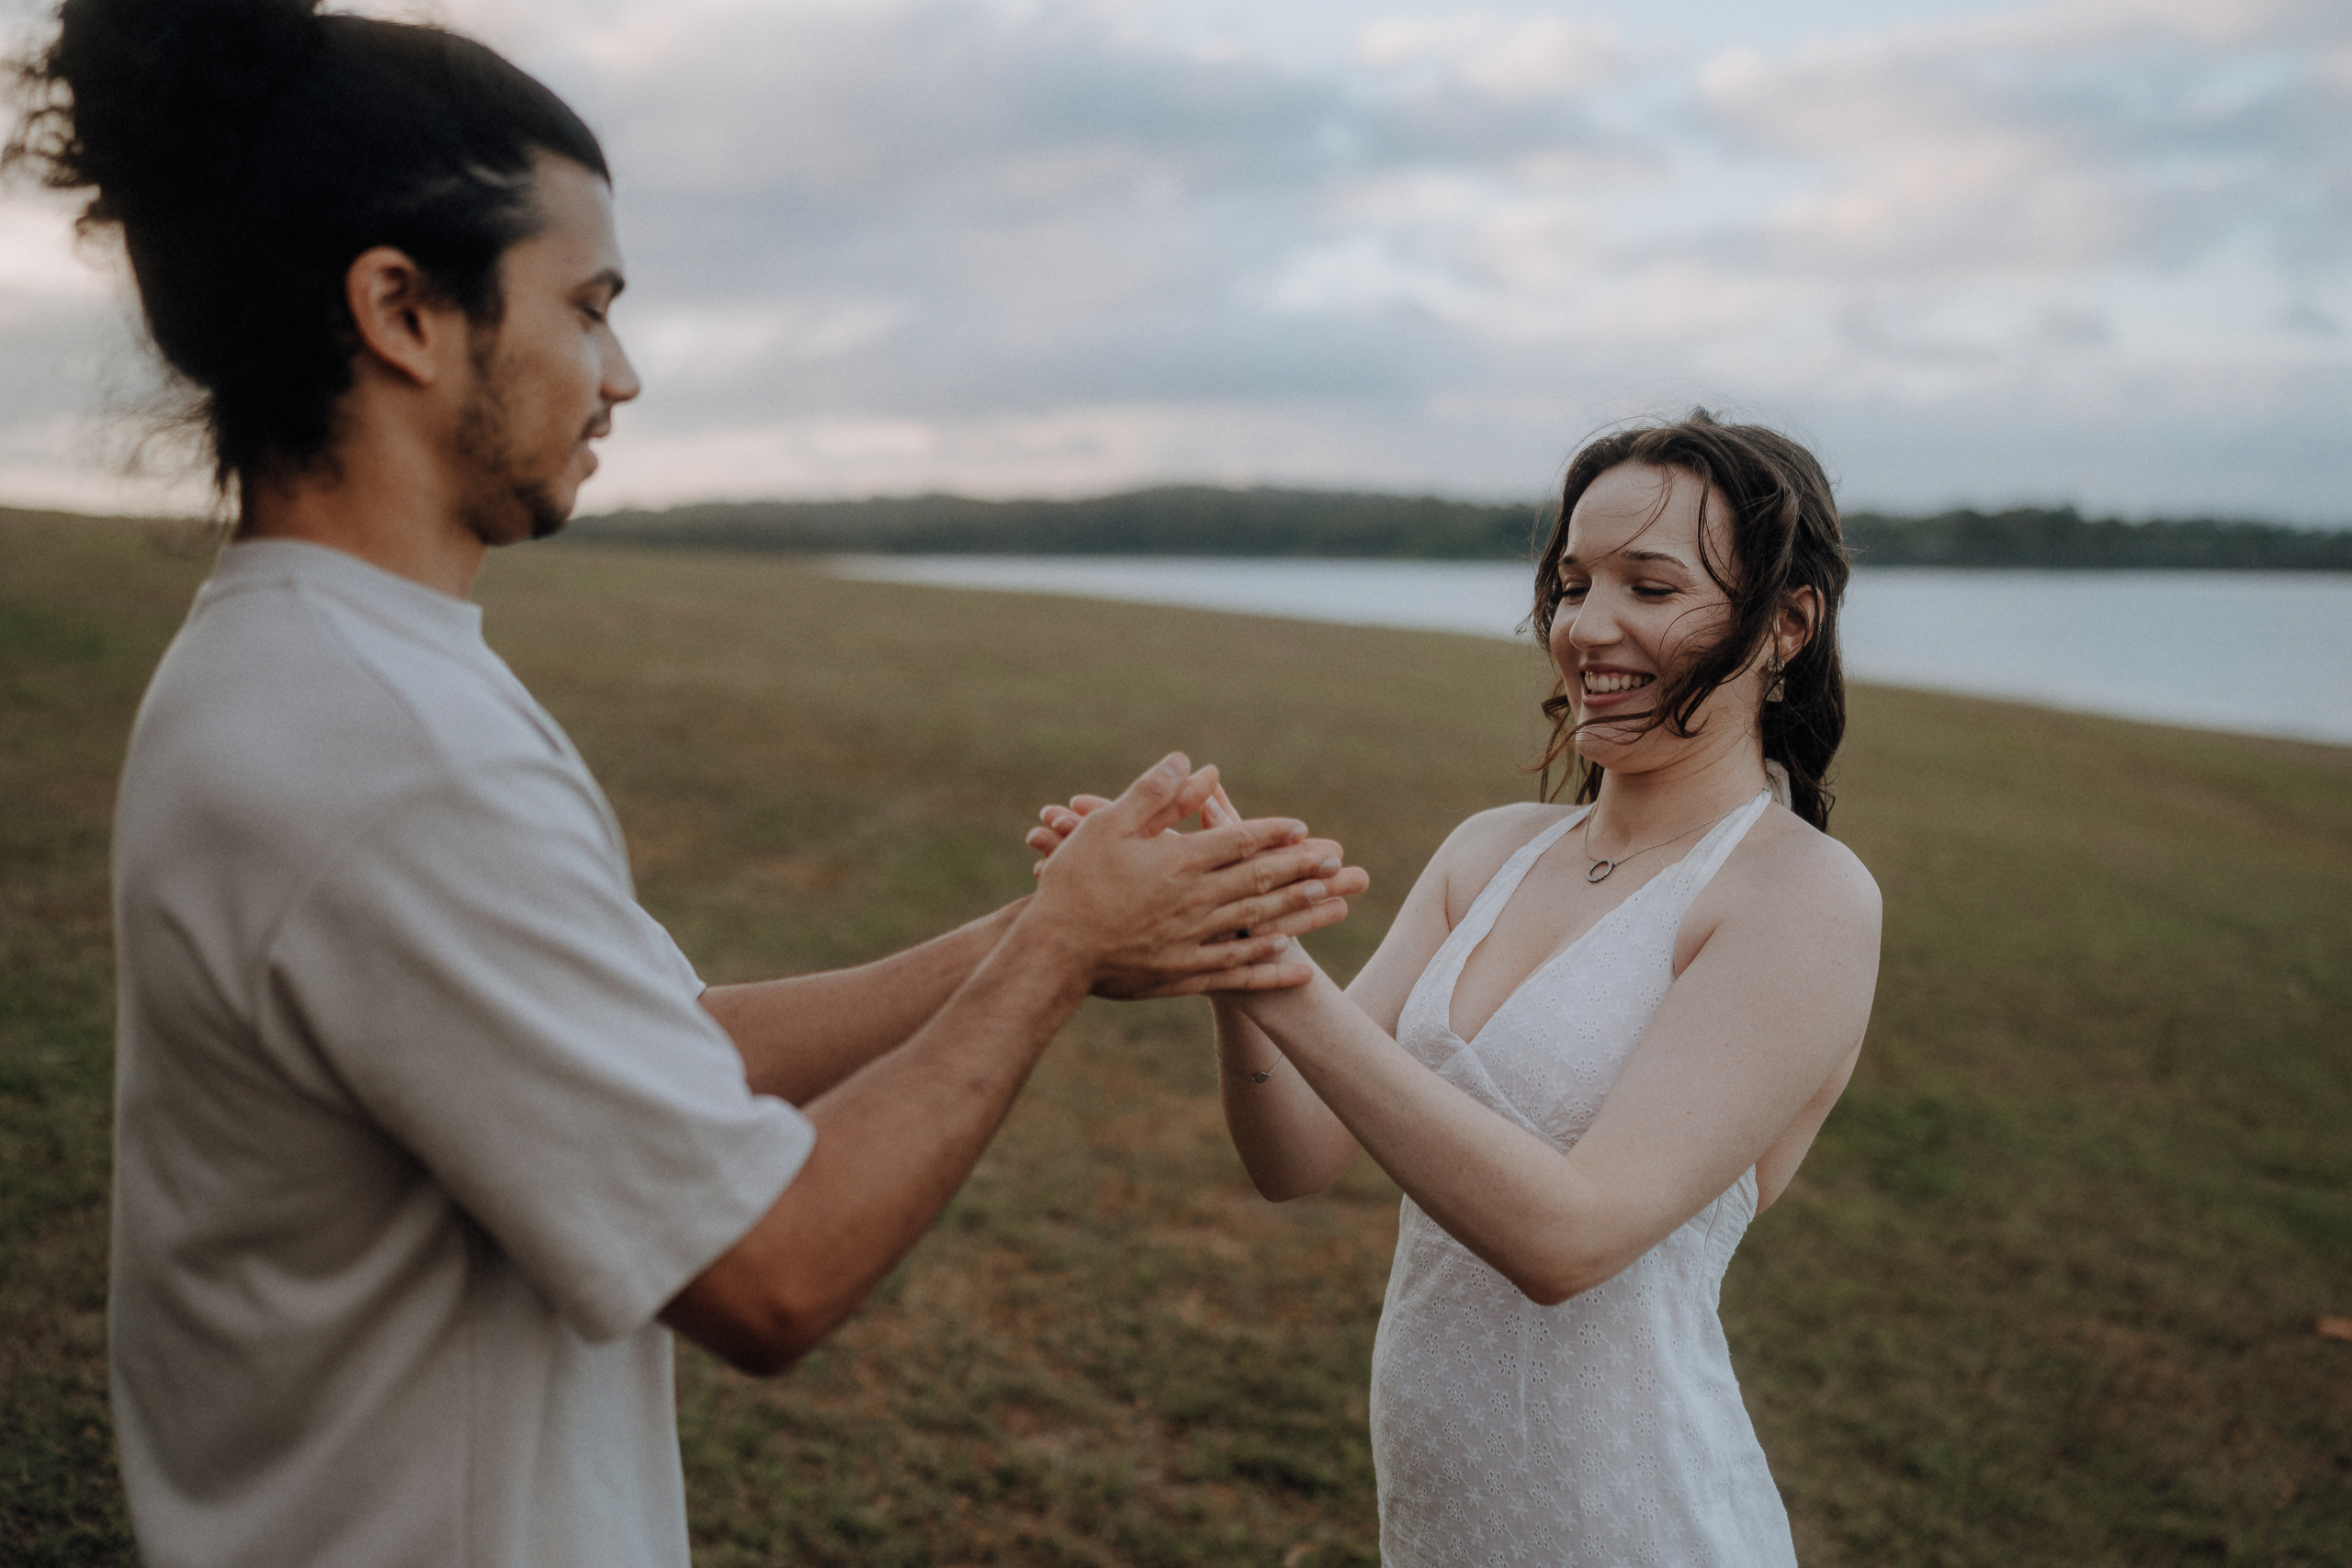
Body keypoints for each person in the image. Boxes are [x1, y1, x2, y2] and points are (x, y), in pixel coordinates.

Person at [8, 3, 1371, 1564]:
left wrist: (1052, 918)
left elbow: (670, 1047)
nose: (624, 373)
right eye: (587, 307)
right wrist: (1060, 954)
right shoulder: (387, 752)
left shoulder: (324, 671)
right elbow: (769, 1270)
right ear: (401, 309)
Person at [1033, 412, 1883, 1563]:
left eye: (1650, 585)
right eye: (1573, 582)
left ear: (1783, 624)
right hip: (1443, 1525)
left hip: (1637, 1522)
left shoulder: (1802, 898)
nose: (1588, 627)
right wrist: (1235, 939)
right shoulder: (1491, 850)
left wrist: (1281, 979)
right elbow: (1290, 1157)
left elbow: (1568, 1242)